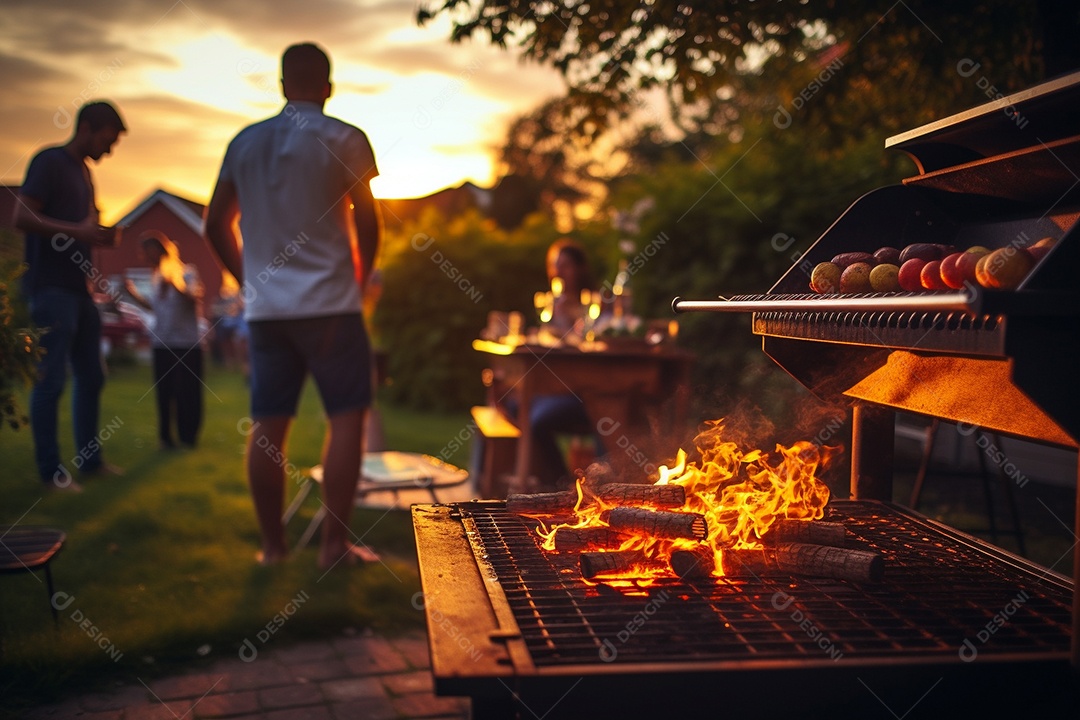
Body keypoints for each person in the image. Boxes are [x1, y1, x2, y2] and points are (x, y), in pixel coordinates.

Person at [204, 42, 382, 568]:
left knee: (267, 424)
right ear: (328, 86)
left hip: (268, 312)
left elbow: (215, 223)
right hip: (333, 306)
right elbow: (369, 222)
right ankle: (332, 547)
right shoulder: (346, 139)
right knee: (347, 419)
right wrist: (358, 277)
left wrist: (249, 279)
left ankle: (273, 550)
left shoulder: (244, 143)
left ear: (283, 86)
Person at [13, 100, 126, 490]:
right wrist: (76, 231)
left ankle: (91, 462)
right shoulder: (50, 162)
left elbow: (86, 227)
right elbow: (21, 217)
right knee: (52, 381)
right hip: (50, 289)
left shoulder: (84, 173)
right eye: (108, 140)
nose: (110, 151)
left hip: (80, 292)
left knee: (92, 376)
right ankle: (51, 473)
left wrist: (101, 235)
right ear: (87, 128)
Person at [124, 232, 205, 449]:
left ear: (161, 251)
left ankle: (188, 438)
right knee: (164, 393)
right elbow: (155, 307)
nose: (143, 256)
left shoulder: (187, 272)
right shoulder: (155, 277)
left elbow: (193, 297)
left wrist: (176, 284)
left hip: (186, 345)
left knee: (187, 394)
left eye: (147, 250)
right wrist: (131, 294)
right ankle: (165, 438)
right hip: (162, 343)